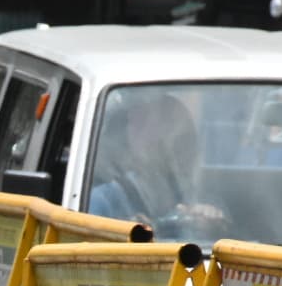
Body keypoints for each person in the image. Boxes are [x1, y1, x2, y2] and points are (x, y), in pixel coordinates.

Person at [87, 91, 227, 234]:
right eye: (173, 140)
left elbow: (234, 245)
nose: (181, 151)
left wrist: (210, 227)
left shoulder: (200, 197)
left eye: (187, 140)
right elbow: (87, 252)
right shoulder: (103, 201)